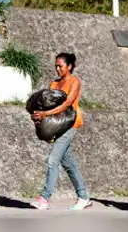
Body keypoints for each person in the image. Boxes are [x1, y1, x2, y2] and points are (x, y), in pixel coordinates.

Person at [30, 52, 92, 211]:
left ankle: (44, 198)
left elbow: (67, 104)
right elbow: (48, 106)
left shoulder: (75, 82)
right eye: (56, 66)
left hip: (70, 124)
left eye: (61, 66)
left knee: (53, 160)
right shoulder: (54, 84)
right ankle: (84, 196)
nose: (58, 68)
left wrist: (45, 114)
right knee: (69, 164)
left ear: (69, 66)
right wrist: (39, 116)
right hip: (57, 126)